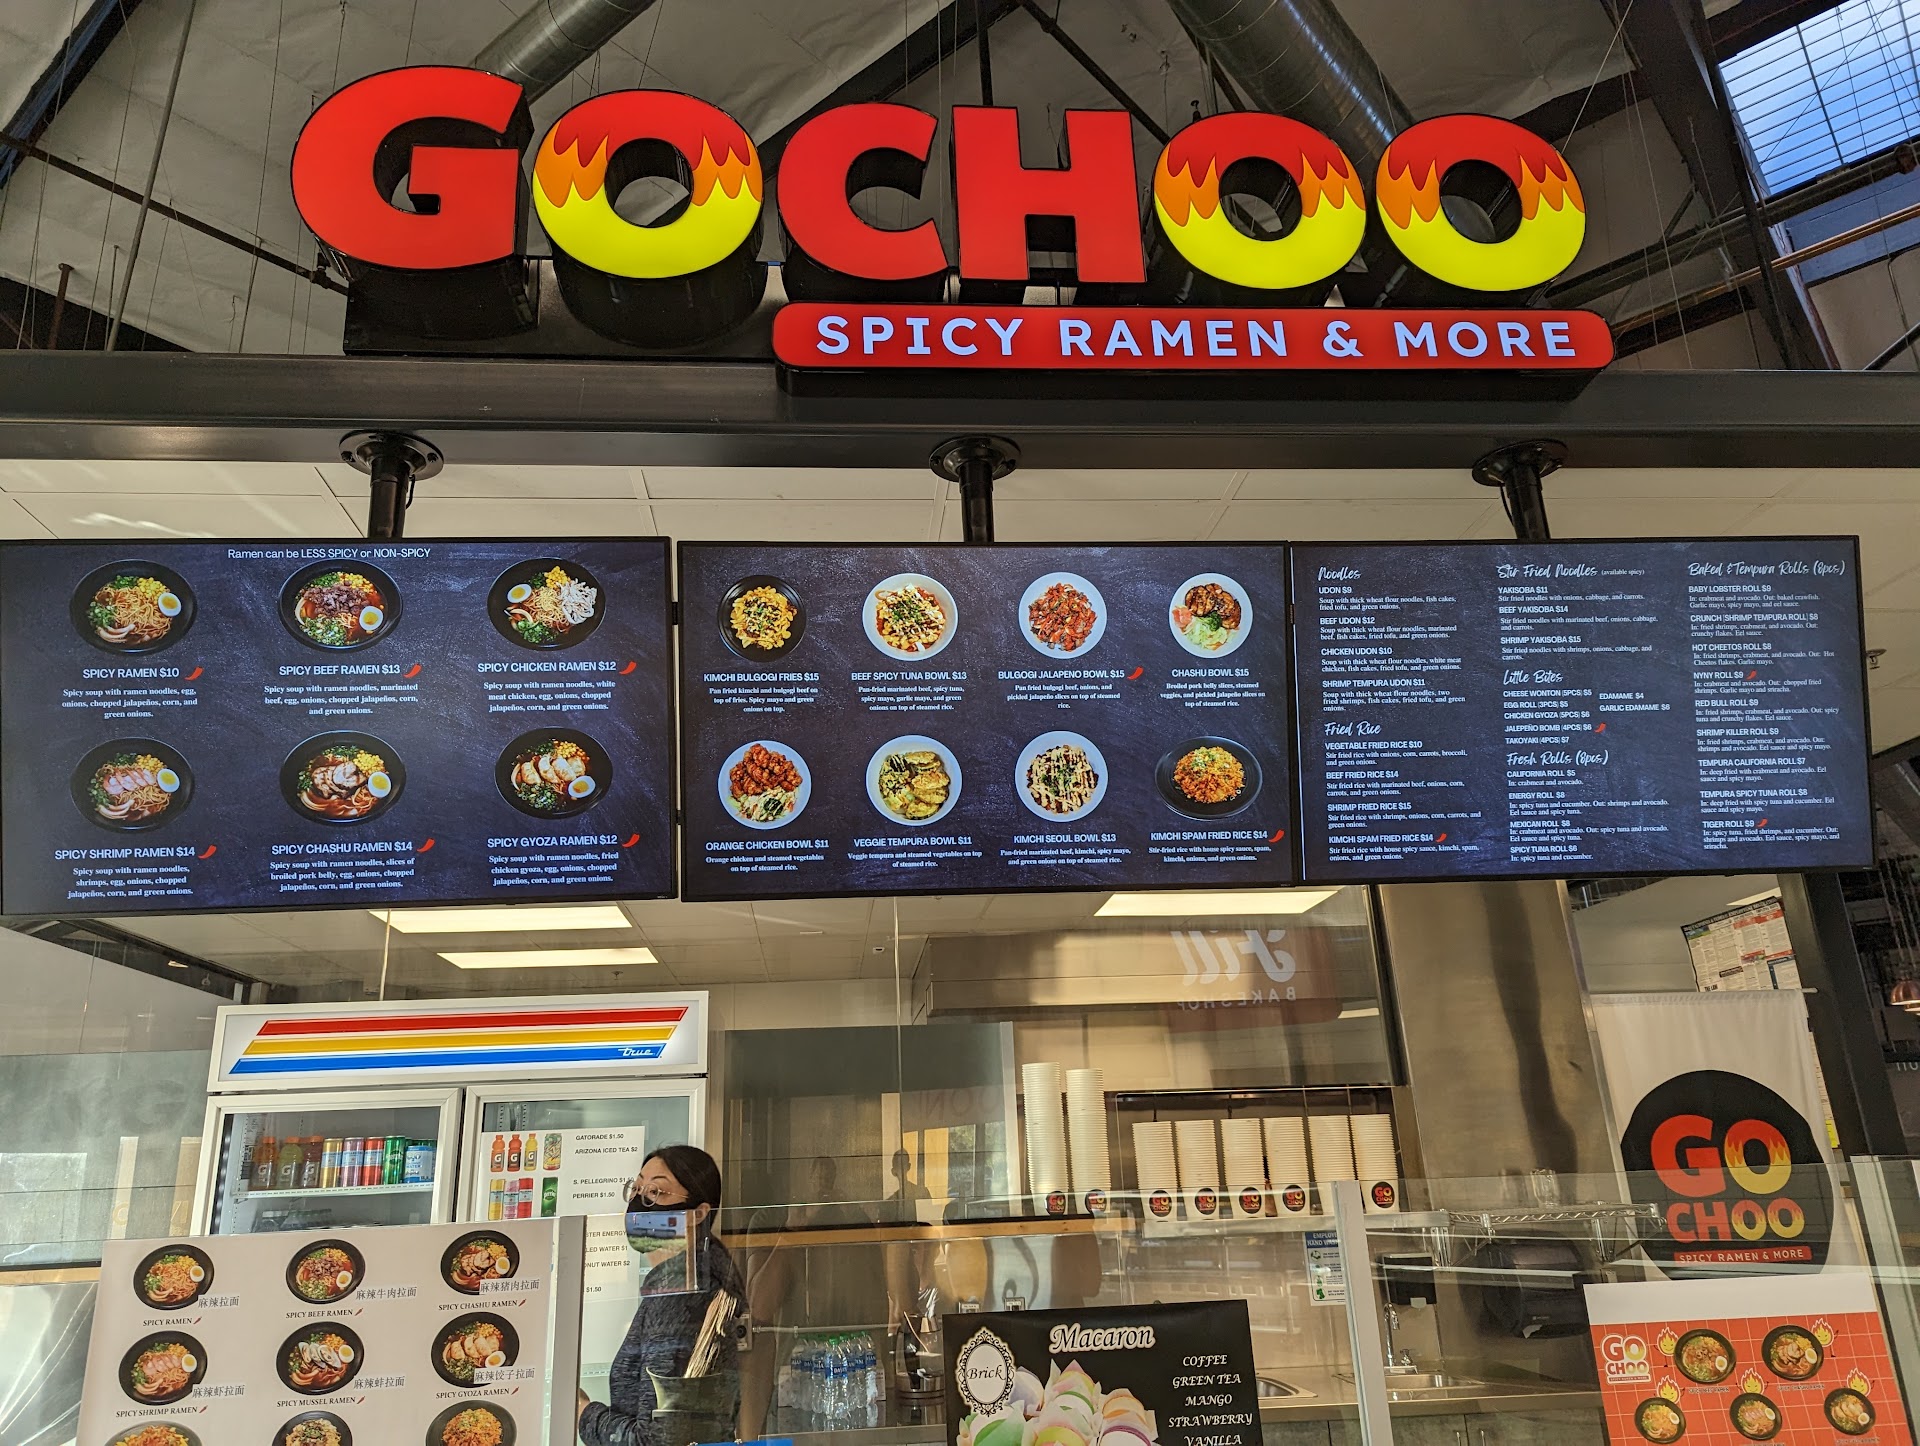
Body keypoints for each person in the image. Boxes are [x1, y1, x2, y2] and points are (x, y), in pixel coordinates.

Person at [579, 1145, 743, 1446]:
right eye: (637, 1189)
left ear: (697, 1214)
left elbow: (658, 1440)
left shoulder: (682, 1295)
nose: (639, 1204)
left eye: (656, 1193)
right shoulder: (691, 1280)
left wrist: (584, 1414)